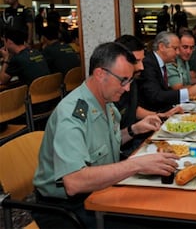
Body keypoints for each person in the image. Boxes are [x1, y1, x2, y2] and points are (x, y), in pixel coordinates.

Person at [32, 42, 179, 228]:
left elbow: (106, 144)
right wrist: (136, 164)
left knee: (160, 205)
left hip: (100, 189)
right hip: (67, 208)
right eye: (123, 80)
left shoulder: (106, 102)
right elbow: (74, 182)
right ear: (101, 74)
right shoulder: (72, 114)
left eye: (130, 81)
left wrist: (134, 130)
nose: (127, 88)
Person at [114, 34, 182, 157]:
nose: (142, 67)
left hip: (129, 142)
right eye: (136, 61)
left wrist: (159, 116)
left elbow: (132, 109)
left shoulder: (132, 80)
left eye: (142, 60)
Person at [136, 31, 196, 113]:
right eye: (175, 48)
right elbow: (155, 96)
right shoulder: (148, 63)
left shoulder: (162, 62)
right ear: (162, 47)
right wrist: (188, 92)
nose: (177, 52)